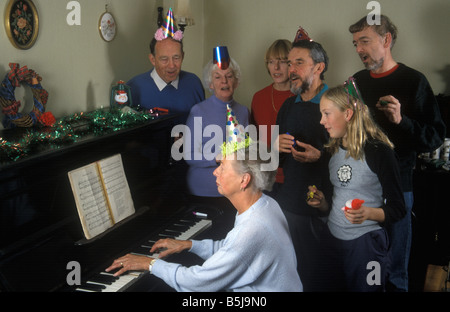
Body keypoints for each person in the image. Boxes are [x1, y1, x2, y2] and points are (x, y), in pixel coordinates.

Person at [105, 142, 303, 292]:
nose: (215, 172)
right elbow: (234, 250)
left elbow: (200, 282)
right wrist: (189, 245)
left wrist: (149, 263)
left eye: (223, 167)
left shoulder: (253, 227)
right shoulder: (265, 203)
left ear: (244, 180)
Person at [349, 15, 446, 291]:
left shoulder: (414, 81)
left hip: (397, 189)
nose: (358, 50)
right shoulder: (356, 82)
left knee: (393, 269)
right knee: (364, 263)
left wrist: (402, 120)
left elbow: (435, 138)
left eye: (364, 41)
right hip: (361, 187)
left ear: (387, 40)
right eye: (355, 43)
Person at [307, 81, 406, 291]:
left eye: (326, 113)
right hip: (332, 240)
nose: (321, 121)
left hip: (367, 246)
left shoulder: (379, 152)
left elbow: (398, 209)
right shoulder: (332, 151)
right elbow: (333, 199)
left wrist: (368, 213)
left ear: (348, 114)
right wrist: (322, 202)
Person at [274, 28, 330, 291]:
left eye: (298, 63)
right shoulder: (288, 106)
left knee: (317, 276)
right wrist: (276, 148)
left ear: (319, 67)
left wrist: (321, 155)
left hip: (323, 210)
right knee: (289, 275)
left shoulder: (338, 103)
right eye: (289, 63)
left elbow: (357, 156)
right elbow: (277, 162)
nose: (290, 69)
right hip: (288, 206)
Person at [183, 47, 249, 215]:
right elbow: (189, 155)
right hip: (204, 192)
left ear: (236, 81)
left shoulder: (243, 111)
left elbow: (245, 151)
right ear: (210, 83)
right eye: (218, 77)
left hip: (235, 192)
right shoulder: (198, 111)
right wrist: (216, 157)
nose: (224, 82)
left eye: (229, 76)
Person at [127, 8, 204, 122]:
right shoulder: (134, 88)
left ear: (183, 56)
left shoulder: (194, 83)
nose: (171, 65)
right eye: (164, 59)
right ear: (152, 59)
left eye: (176, 57)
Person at [251, 39, 294, 197]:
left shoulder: (301, 98)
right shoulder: (258, 97)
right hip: (264, 177)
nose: (276, 68)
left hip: (292, 177)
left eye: (282, 62)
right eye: (271, 62)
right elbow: (254, 142)